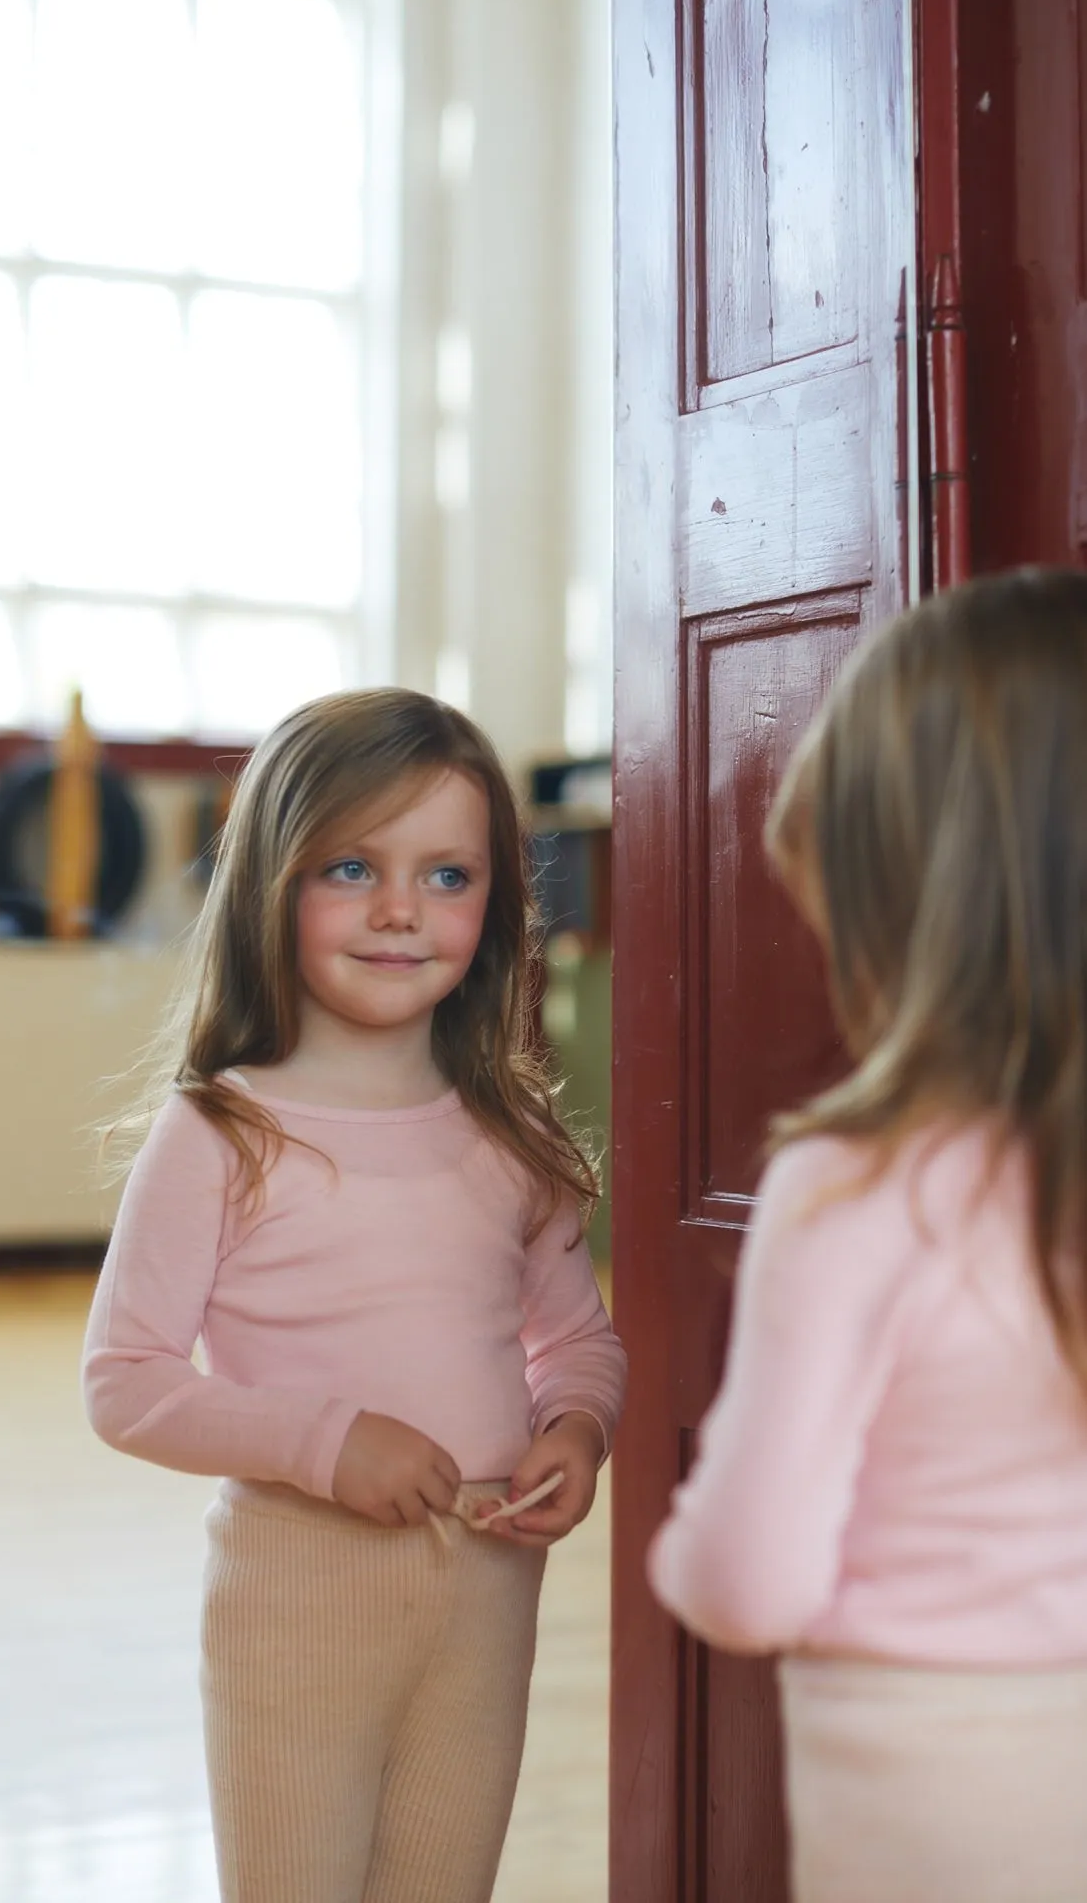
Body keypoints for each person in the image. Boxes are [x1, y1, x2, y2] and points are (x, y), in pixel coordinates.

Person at [83, 687, 626, 1903]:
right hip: (297, 1587)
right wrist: (329, 1441)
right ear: (272, 880)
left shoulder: (512, 1129)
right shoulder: (222, 1127)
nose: (399, 909)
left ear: (495, 906)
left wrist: (580, 1428)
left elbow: (575, 1336)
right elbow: (124, 1381)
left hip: (489, 1588)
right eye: (351, 866)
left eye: (447, 875)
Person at [647, 569, 1087, 1903]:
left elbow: (752, 1580)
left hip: (932, 1786)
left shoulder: (855, 1187)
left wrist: (676, 1552)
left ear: (907, 906)